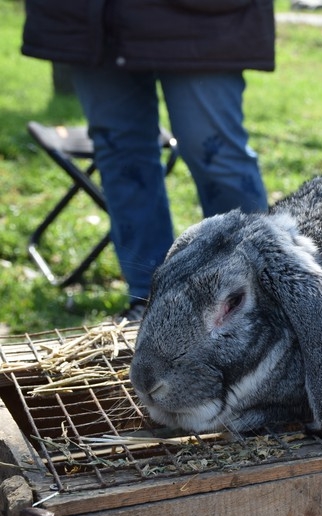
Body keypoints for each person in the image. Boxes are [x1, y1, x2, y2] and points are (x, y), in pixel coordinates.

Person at [21, 1, 274, 321]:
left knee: (216, 152)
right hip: (91, 19)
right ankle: (150, 302)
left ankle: (258, 297)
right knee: (123, 159)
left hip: (204, 19)